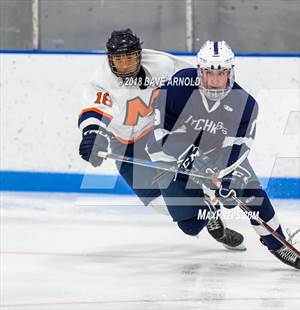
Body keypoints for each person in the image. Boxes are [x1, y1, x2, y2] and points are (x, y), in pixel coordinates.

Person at [77, 29, 244, 250]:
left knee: (191, 174)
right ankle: (208, 209)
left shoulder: (161, 64)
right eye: (119, 59)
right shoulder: (101, 80)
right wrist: (92, 134)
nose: (125, 65)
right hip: (125, 144)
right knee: (161, 204)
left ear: (140, 54)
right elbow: (94, 111)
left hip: (161, 133)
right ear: (110, 59)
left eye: (129, 58)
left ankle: (211, 192)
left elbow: (199, 76)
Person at [146, 40, 300, 269]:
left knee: (249, 193)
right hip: (174, 157)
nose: (214, 81)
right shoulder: (178, 88)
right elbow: (161, 133)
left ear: (230, 72)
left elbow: (238, 149)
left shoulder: (245, 104)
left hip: (217, 156)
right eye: (208, 73)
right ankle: (210, 212)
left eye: (221, 73)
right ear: (199, 71)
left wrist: (225, 175)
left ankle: (279, 244)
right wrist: (190, 157)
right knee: (190, 226)